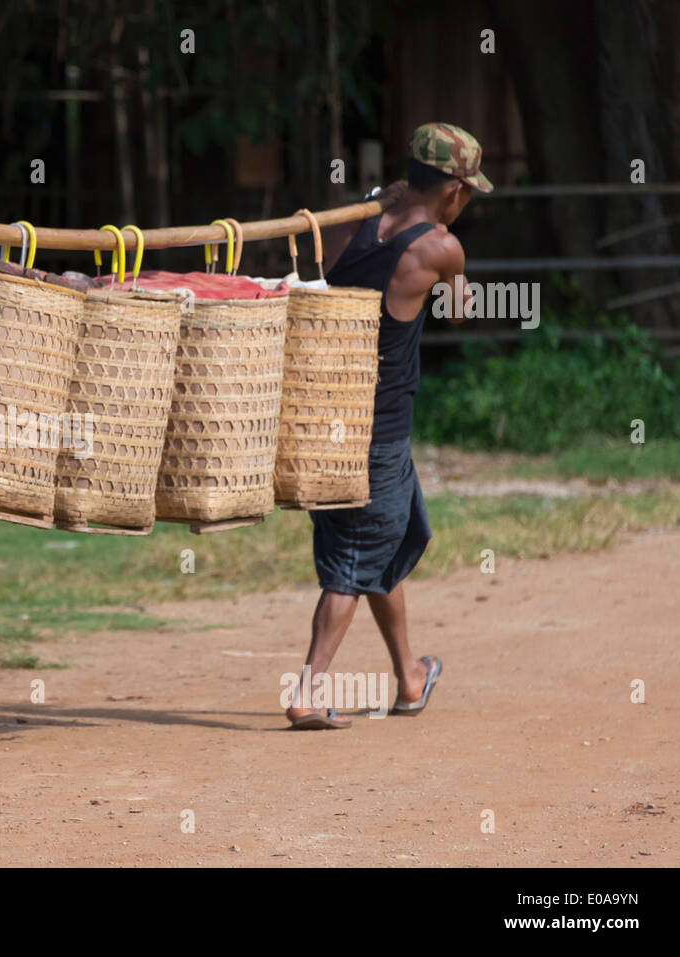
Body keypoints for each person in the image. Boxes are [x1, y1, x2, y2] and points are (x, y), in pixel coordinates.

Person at [284, 122, 491, 729]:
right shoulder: (440, 248)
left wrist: (378, 201)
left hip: (325, 414)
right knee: (354, 558)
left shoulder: (354, 223)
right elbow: (458, 317)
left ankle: (408, 676)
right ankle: (308, 689)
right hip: (378, 426)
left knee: (392, 543)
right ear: (453, 190)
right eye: (468, 190)